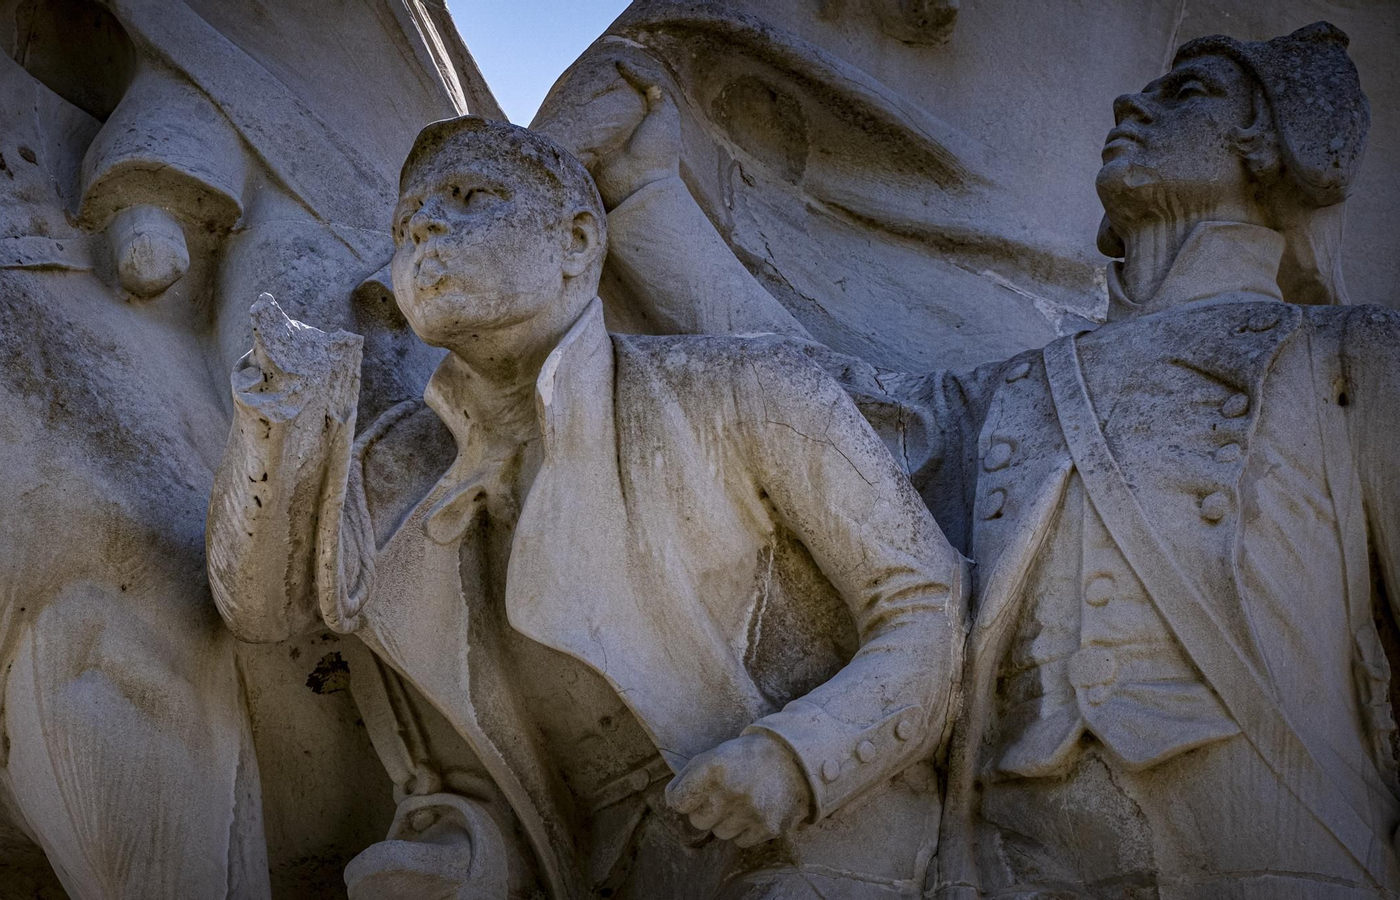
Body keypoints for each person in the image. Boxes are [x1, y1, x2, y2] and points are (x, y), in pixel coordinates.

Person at [572, 19, 1400, 899]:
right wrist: (643, 196)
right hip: (1011, 853)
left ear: (1271, 148)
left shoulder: (1346, 354)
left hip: (1277, 849)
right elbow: (812, 404)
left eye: (1186, 92)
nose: (1130, 103)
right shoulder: (1019, 390)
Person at [206, 117, 966, 899]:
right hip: (595, 870)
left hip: (819, 850)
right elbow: (264, 612)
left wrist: (798, 758)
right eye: (406, 225)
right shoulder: (397, 466)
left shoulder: (751, 389)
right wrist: (273, 427)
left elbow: (927, 605)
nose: (425, 227)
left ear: (575, 241)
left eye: (469, 198)